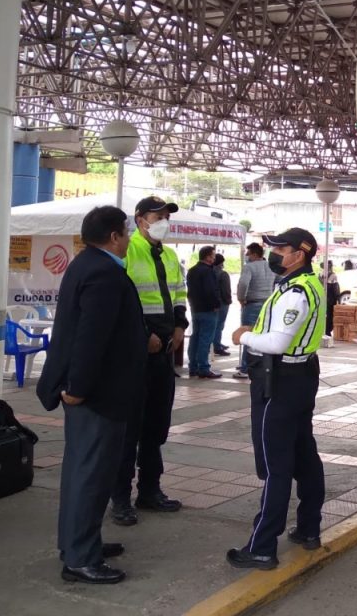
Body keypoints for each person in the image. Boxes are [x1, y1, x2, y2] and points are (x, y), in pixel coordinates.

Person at [37, 206, 146, 584]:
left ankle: (80, 543)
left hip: (95, 393)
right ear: (114, 236)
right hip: (96, 396)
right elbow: (90, 337)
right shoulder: (103, 273)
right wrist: (78, 389)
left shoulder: (86, 265)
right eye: (127, 232)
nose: (129, 238)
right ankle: (81, 558)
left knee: (85, 472)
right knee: (90, 475)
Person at [228, 228, 326, 569]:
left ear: (299, 254)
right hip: (301, 377)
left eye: (281, 248)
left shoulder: (295, 292)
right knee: (304, 454)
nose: (275, 253)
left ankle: (262, 546)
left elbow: (277, 343)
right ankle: (309, 528)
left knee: (276, 466)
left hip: (282, 381)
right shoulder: (308, 283)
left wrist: (245, 336)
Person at [110, 196, 187, 527]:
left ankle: (150, 490)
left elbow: (179, 293)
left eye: (167, 216)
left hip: (165, 348)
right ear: (140, 220)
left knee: (156, 425)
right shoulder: (129, 251)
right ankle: (120, 499)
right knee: (130, 427)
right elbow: (122, 302)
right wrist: (144, 336)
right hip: (137, 350)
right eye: (157, 216)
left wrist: (181, 326)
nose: (163, 221)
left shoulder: (169, 255)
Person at [234, 242, 277, 379]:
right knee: (264, 333)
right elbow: (280, 280)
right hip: (268, 304)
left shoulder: (249, 267)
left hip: (252, 304)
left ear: (254, 254)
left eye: (248, 253)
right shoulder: (271, 267)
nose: (246, 256)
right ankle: (263, 364)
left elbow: (243, 283)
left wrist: (241, 298)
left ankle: (246, 368)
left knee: (248, 335)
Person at [186, 246, 224, 380]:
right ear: (207, 257)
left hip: (195, 308)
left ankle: (193, 367)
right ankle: (203, 368)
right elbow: (210, 290)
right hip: (208, 310)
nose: (214, 258)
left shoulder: (191, 271)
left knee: (195, 337)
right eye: (213, 255)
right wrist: (215, 304)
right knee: (205, 339)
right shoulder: (208, 271)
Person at [212, 254, 232, 357]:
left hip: (211, 302)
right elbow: (226, 290)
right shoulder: (223, 274)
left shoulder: (209, 272)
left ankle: (216, 344)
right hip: (222, 303)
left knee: (214, 325)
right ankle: (217, 346)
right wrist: (229, 300)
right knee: (219, 325)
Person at [323, 261, 340, 338]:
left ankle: (324, 330)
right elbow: (335, 288)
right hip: (330, 299)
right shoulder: (333, 275)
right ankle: (328, 331)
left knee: (324, 314)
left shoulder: (321, 274)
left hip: (323, 297)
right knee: (330, 315)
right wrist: (337, 298)